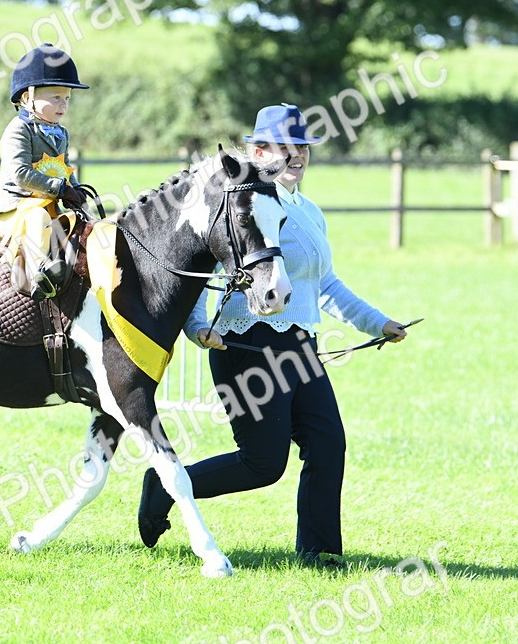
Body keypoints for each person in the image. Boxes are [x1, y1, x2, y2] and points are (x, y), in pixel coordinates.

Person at [137, 103, 409, 568]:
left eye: (301, 145)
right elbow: (200, 267)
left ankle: (319, 552)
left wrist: (376, 322)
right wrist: (198, 326)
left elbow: (323, 283)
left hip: (300, 346)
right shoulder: (244, 201)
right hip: (245, 344)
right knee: (263, 464)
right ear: (259, 151)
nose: (297, 154)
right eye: (285, 146)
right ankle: (165, 483)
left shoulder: (308, 210)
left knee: (328, 445)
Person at [0, 43, 89, 300]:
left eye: (67, 99)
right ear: (28, 98)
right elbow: (20, 173)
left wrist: (77, 191)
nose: (63, 105)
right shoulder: (18, 130)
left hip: (48, 204)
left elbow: (65, 170)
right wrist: (60, 189)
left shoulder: (61, 132)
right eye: (56, 97)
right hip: (14, 206)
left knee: (82, 224)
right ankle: (41, 272)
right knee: (38, 219)